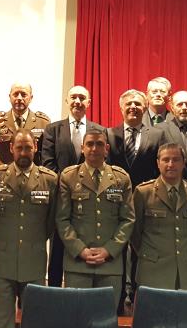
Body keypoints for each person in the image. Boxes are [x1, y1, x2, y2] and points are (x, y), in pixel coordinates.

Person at [0, 129, 58, 328]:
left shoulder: (49, 180)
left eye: (28, 148)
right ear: (12, 149)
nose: (24, 152)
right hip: (3, 259)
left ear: (35, 148)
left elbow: (50, 222)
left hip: (34, 258)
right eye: (19, 148)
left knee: (33, 319)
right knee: (1, 320)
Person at [55, 130, 134, 308]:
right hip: (78, 264)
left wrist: (109, 250)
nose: (94, 148)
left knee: (106, 322)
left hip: (110, 264)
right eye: (89, 144)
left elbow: (128, 219)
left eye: (99, 144)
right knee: (76, 321)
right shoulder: (69, 177)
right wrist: (80, 249)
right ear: (82, 148)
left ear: (106, 149)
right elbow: (62, 219)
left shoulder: (121, 178)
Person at [41, 85, 106, 287]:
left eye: (82, 98)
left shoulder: (99, 130)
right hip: (62, 196)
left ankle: (81, 288)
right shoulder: (53, 129)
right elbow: (48, 163)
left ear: (89, 102)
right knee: (59, 246)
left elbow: (101, 163)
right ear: (67, 101)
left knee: (84, 243)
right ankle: (53, 290)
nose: (78, 101)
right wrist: (69, 185)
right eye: (73, 97)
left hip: (90, 200)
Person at [107, 89, 164, 312]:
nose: (133, 107)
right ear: (121, 108)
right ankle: (120, 300)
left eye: (138, 104)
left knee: (143, 250)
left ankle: (141, 301)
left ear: (145, 106)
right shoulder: (109, 134)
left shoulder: (157, 135)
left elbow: (160, 167)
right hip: (115, 203)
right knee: (118, 251)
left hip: (146, 202)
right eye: (128, 104)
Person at [131, 143, 187, 291]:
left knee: (185, 313)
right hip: (153, 270)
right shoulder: (143, 192)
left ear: (183, 163)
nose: (171, 164)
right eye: (166, 160)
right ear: (158, 163)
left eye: (176, 159)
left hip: (186, 271)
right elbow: (135, 232)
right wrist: (148, 254)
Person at [0, 83, 49, 166]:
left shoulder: (43, 123)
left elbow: (46, 155)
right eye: (15, 94)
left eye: (24, 95)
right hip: (4, 175)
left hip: (32, 175)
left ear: (31, 98)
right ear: (9, 97)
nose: (19, 98)